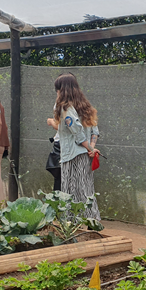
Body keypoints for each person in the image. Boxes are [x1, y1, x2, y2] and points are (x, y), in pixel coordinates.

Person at [46, 73, 100, 220]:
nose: (57, 93)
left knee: (69, 190)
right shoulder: (86, 106)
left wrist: (90, 148)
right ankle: (93, 221)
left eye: (57, 90)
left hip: (71, 156)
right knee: (86, 189)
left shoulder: (65, 108)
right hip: (85, 155)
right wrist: (91, 148)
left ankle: (69, 221)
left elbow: (76, 130)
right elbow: (94, 130)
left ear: (62, 90)